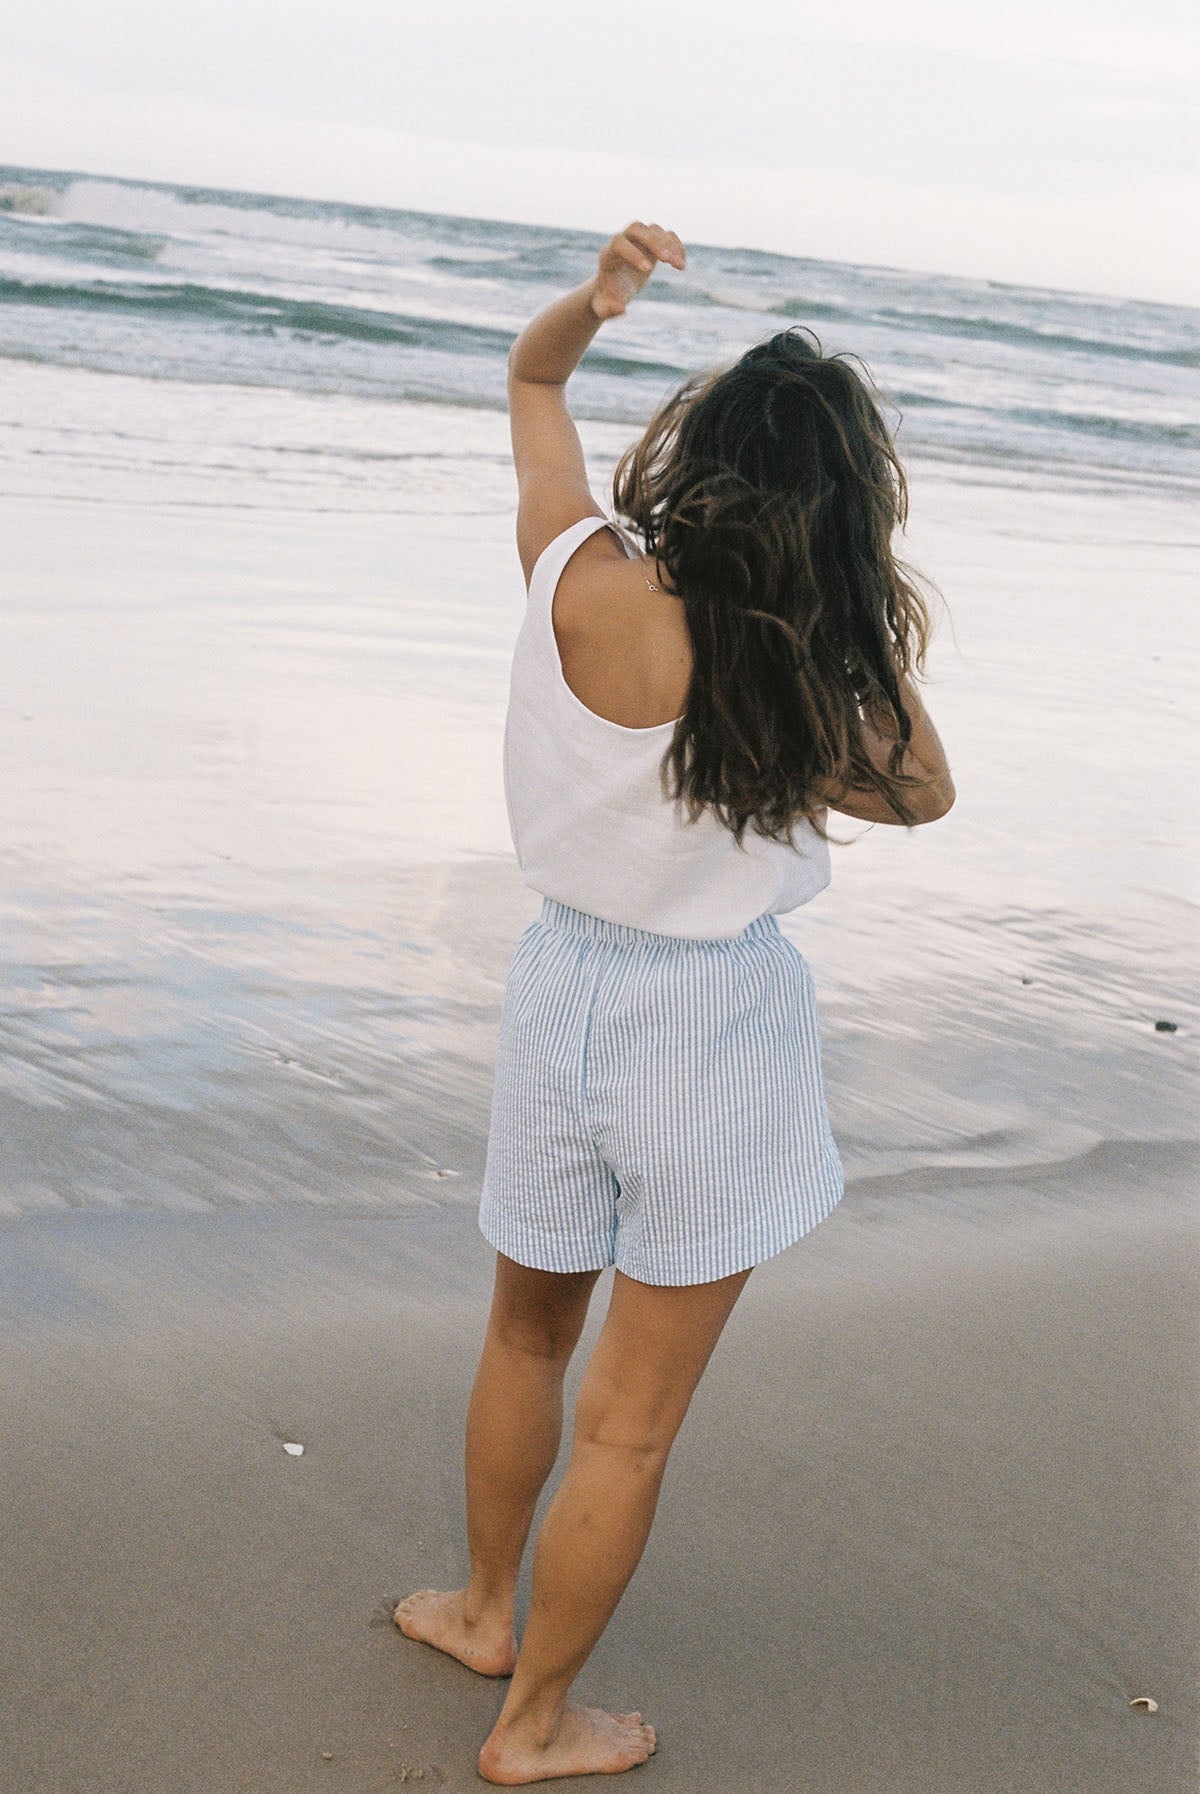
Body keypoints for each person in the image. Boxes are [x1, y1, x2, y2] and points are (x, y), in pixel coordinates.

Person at [395, 222, 955, 1785]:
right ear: (839, 513)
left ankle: (483, 1609)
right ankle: (532, 1728)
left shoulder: (573, 566)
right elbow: (927, 787)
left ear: (694, 448)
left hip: (561, 986)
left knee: (523, 1338)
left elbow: (531, 376)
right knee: (628, 1422)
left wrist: (597, 300)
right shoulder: (785, 674)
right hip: (712, 1030)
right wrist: (841, 606)